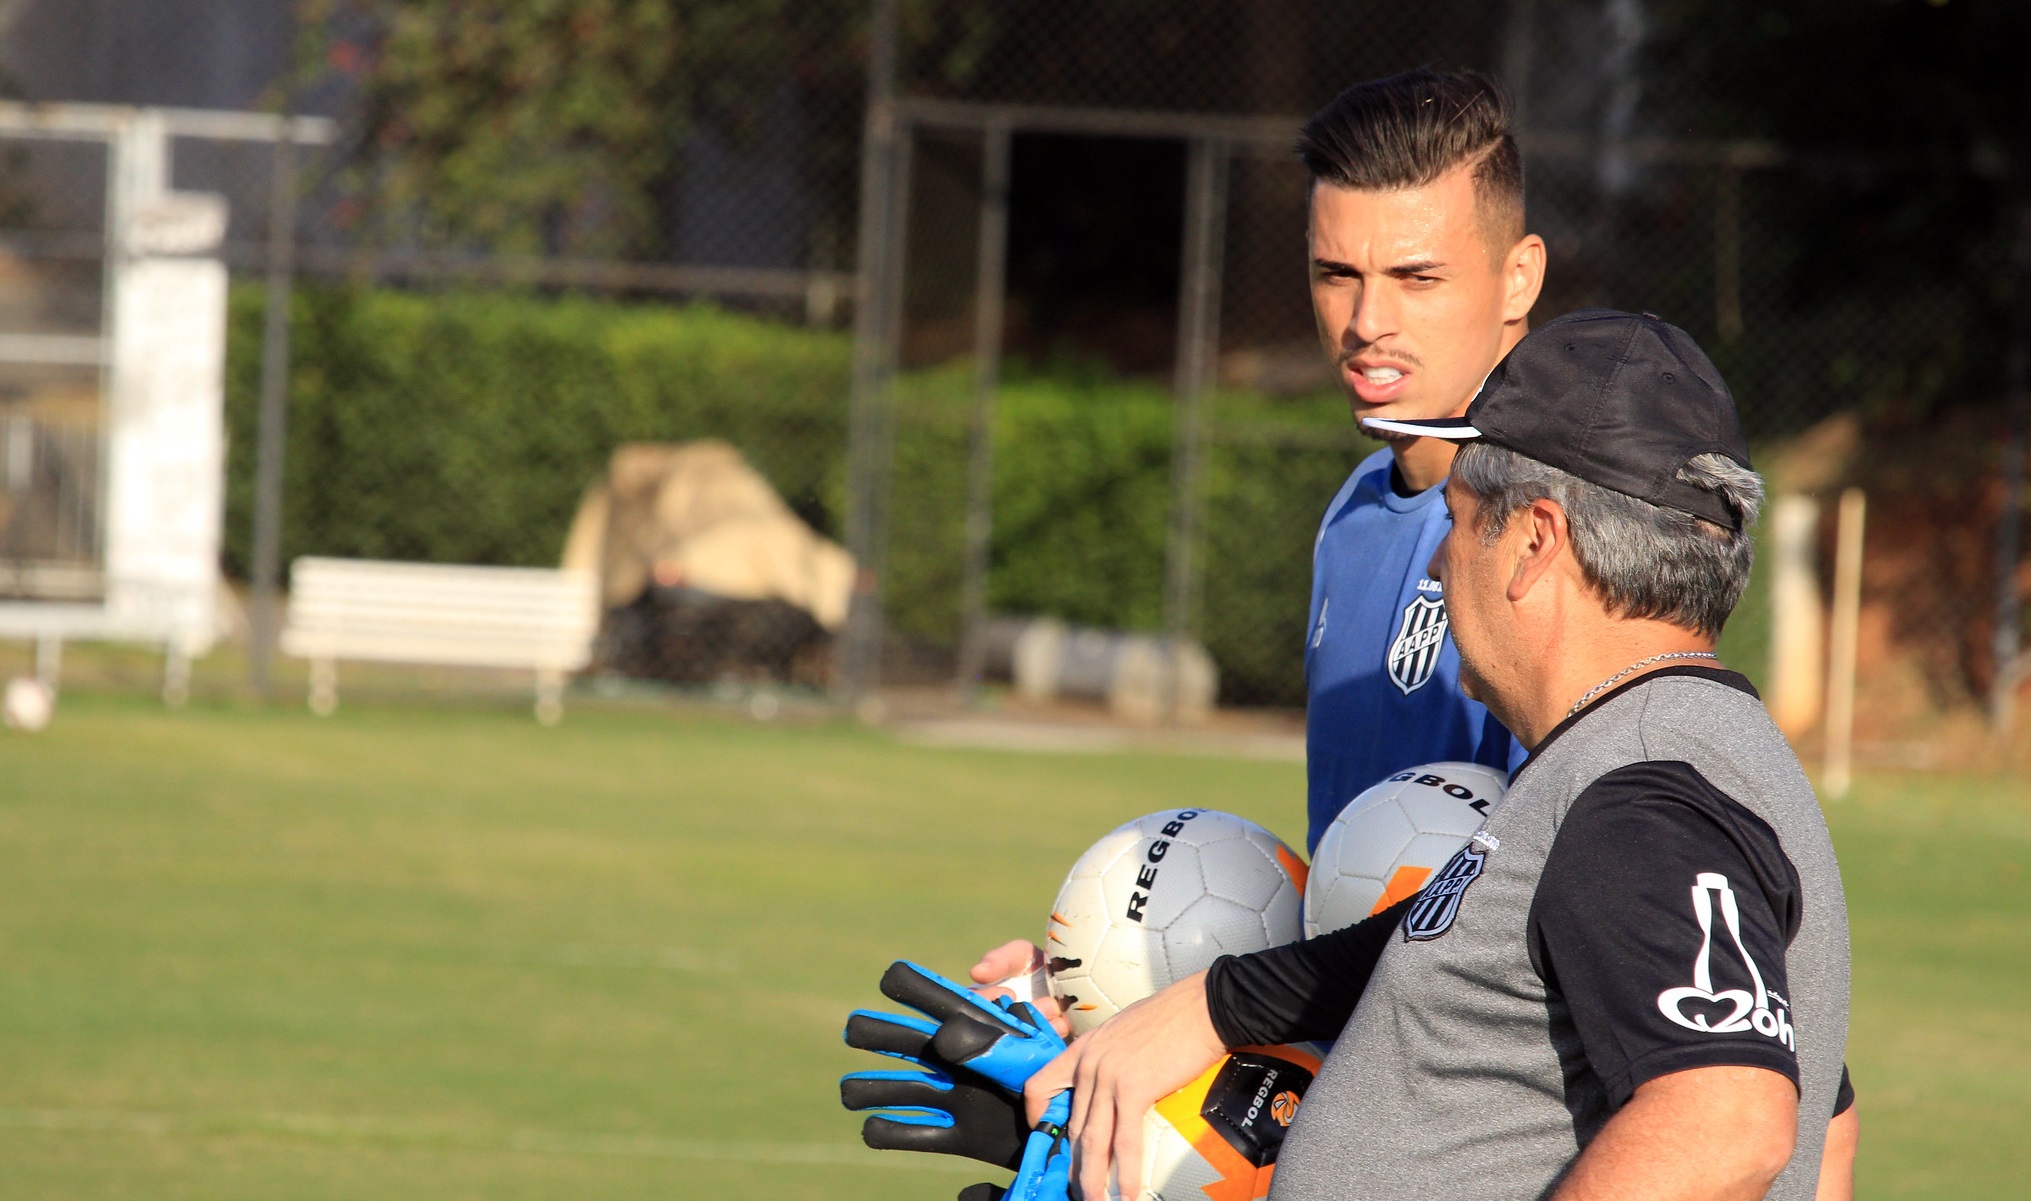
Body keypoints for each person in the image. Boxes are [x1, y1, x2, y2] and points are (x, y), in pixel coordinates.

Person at [1023, 311, 1856, 1201]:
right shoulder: (1662, 756)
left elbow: (1725, 1119)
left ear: (1534, 541)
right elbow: (1813, 1130)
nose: (1437, 564)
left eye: (1456, 522)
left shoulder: (1636, 792)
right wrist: (1192, 1029)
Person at [971, 63, 1544, 1002]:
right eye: (1336, 275)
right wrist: (1103, 985)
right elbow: (1365, 884)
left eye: (1415, 277)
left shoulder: (1560, 529)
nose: (1367, 322)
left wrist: (1213, 1013)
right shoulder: (1355, 510)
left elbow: (1548, 893)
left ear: (1517, 276)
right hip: (1361, 1072)